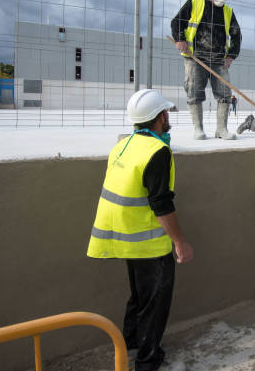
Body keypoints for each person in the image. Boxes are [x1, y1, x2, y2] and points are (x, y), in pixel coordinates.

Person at [87, 89, 193, 371]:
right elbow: (161, 204)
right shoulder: (157, 152)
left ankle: (130, 344)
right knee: (154, 304)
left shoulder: (124, 145)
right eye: (166, 112)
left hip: (124, 237)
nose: (168, 116)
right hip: (148, 244)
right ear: (160, 117)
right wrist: (180, 242)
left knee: (139, 297)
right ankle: (147, 360)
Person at [171, 0, 241, 140]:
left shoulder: (228, 12)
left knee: (225, 94)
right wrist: (180, 39)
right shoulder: (195, 2)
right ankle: (198, 129)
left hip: (218, 60)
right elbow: (177, 21)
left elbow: (236, 35)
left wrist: (231, 56)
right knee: (194, 92)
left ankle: (221, 130)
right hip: (195, 57)